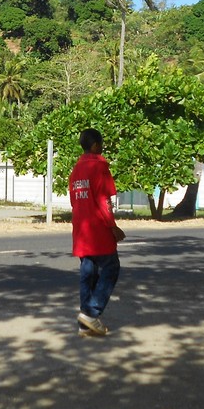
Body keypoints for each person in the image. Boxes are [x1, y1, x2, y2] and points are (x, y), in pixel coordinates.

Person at [68, 127, 125, 336]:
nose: (102, 148)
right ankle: (91, 313)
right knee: (111, 267)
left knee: (88, 272)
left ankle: (85, 324)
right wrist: (113, 226)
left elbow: (74, 201)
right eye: (101, 144)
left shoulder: (76, 170)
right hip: (98, 229)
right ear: (95, 146)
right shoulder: (99, 167)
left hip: (81, 230)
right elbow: (104, 200)